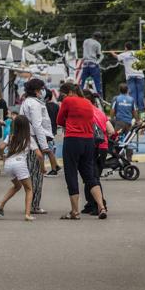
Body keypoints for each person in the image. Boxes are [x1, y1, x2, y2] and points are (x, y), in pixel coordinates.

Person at [56, 82, 107, 220]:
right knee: (90, 175)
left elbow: (59, 120)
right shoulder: (87, 102)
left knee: (71, 174)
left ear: (68, 93)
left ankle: (75, 211)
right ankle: (101, 206)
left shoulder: (68, 101)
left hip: (72, 140)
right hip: (88, 141)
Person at [0, 115, 43, 221]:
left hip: (8, 164)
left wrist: (2, 157)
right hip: (20, 164)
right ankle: (27, 214)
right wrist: (42, 167)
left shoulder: (11, 136)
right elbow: (39, 155)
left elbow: (1, 147)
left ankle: (1, 205)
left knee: (17, 186)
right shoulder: (29, 138)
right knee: (29, 189)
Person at [19, 78, 51, 214]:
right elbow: (38, 125)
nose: (43, 91)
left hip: (28, 140)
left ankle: (31, 203)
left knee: (31, 173)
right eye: (42, 88)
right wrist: (44, 146)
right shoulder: (35, 104)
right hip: (36, 141)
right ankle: (35, 205)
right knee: (37, 174)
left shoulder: (26, 102)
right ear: (37, 90)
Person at [82, 89, 115, 215]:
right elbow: (111, 130)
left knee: (92, 177)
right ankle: (90, 203)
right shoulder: (100, 112)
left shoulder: (85, 111)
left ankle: (99, 205)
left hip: (91, 146)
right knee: (92, 175)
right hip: (103, 147)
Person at [111, 42, 145, 114]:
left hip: (130, 76)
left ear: (126, 48)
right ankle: (142, 112)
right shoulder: (137, 53)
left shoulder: (124, 54)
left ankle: (134, 111)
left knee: (132, 94)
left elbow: (116, 56)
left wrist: (112, 52)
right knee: (140, 94)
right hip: (140, 75)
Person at [43, 88, 61, 177]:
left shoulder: (43, 106)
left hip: (45, 131)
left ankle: (54, 169)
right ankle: (56, 165)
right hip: (53, 130)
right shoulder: (56, 106)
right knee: (49, 149)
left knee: (48, 150)